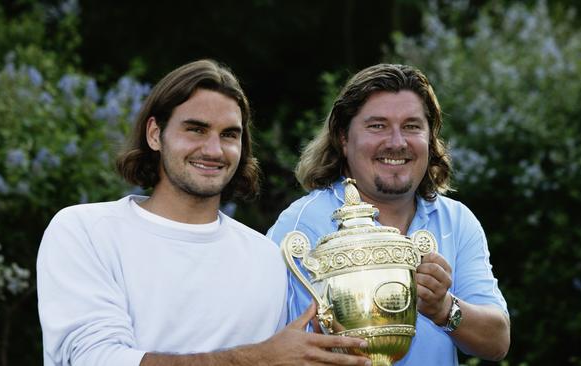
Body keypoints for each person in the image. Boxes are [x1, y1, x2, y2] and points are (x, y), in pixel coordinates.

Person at [37, 60, 372, 366]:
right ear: (155, 134)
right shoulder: (85, 231)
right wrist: (259, 359)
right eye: (195, 129)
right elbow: (96, 359)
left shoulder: (266, 258)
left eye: (229, 135)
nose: (213, 150)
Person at [267, 63, 511, 365]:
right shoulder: (300, 227)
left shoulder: (456, 221)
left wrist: (444, 308)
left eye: (411, 126)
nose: (396, 143)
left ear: (430, 138)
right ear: (343, 138)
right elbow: (273, 349)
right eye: (377, 126)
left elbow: (497, 341)